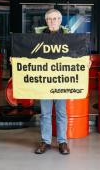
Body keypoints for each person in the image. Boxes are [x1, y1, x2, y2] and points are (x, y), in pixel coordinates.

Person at [34, 9, 70, 155]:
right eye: (49, 19)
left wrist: (85, 62)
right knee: (45, 113)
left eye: (55, 19)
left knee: (61, 113)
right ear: (46, 21)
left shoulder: (70, 37)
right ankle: (45, 142)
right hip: (44, 81)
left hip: (61, 80)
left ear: (60, 21)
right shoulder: (38, 37)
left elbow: (77, 54)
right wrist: (17, 59)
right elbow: (28, 53)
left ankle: (62, 142)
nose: (52, 21)